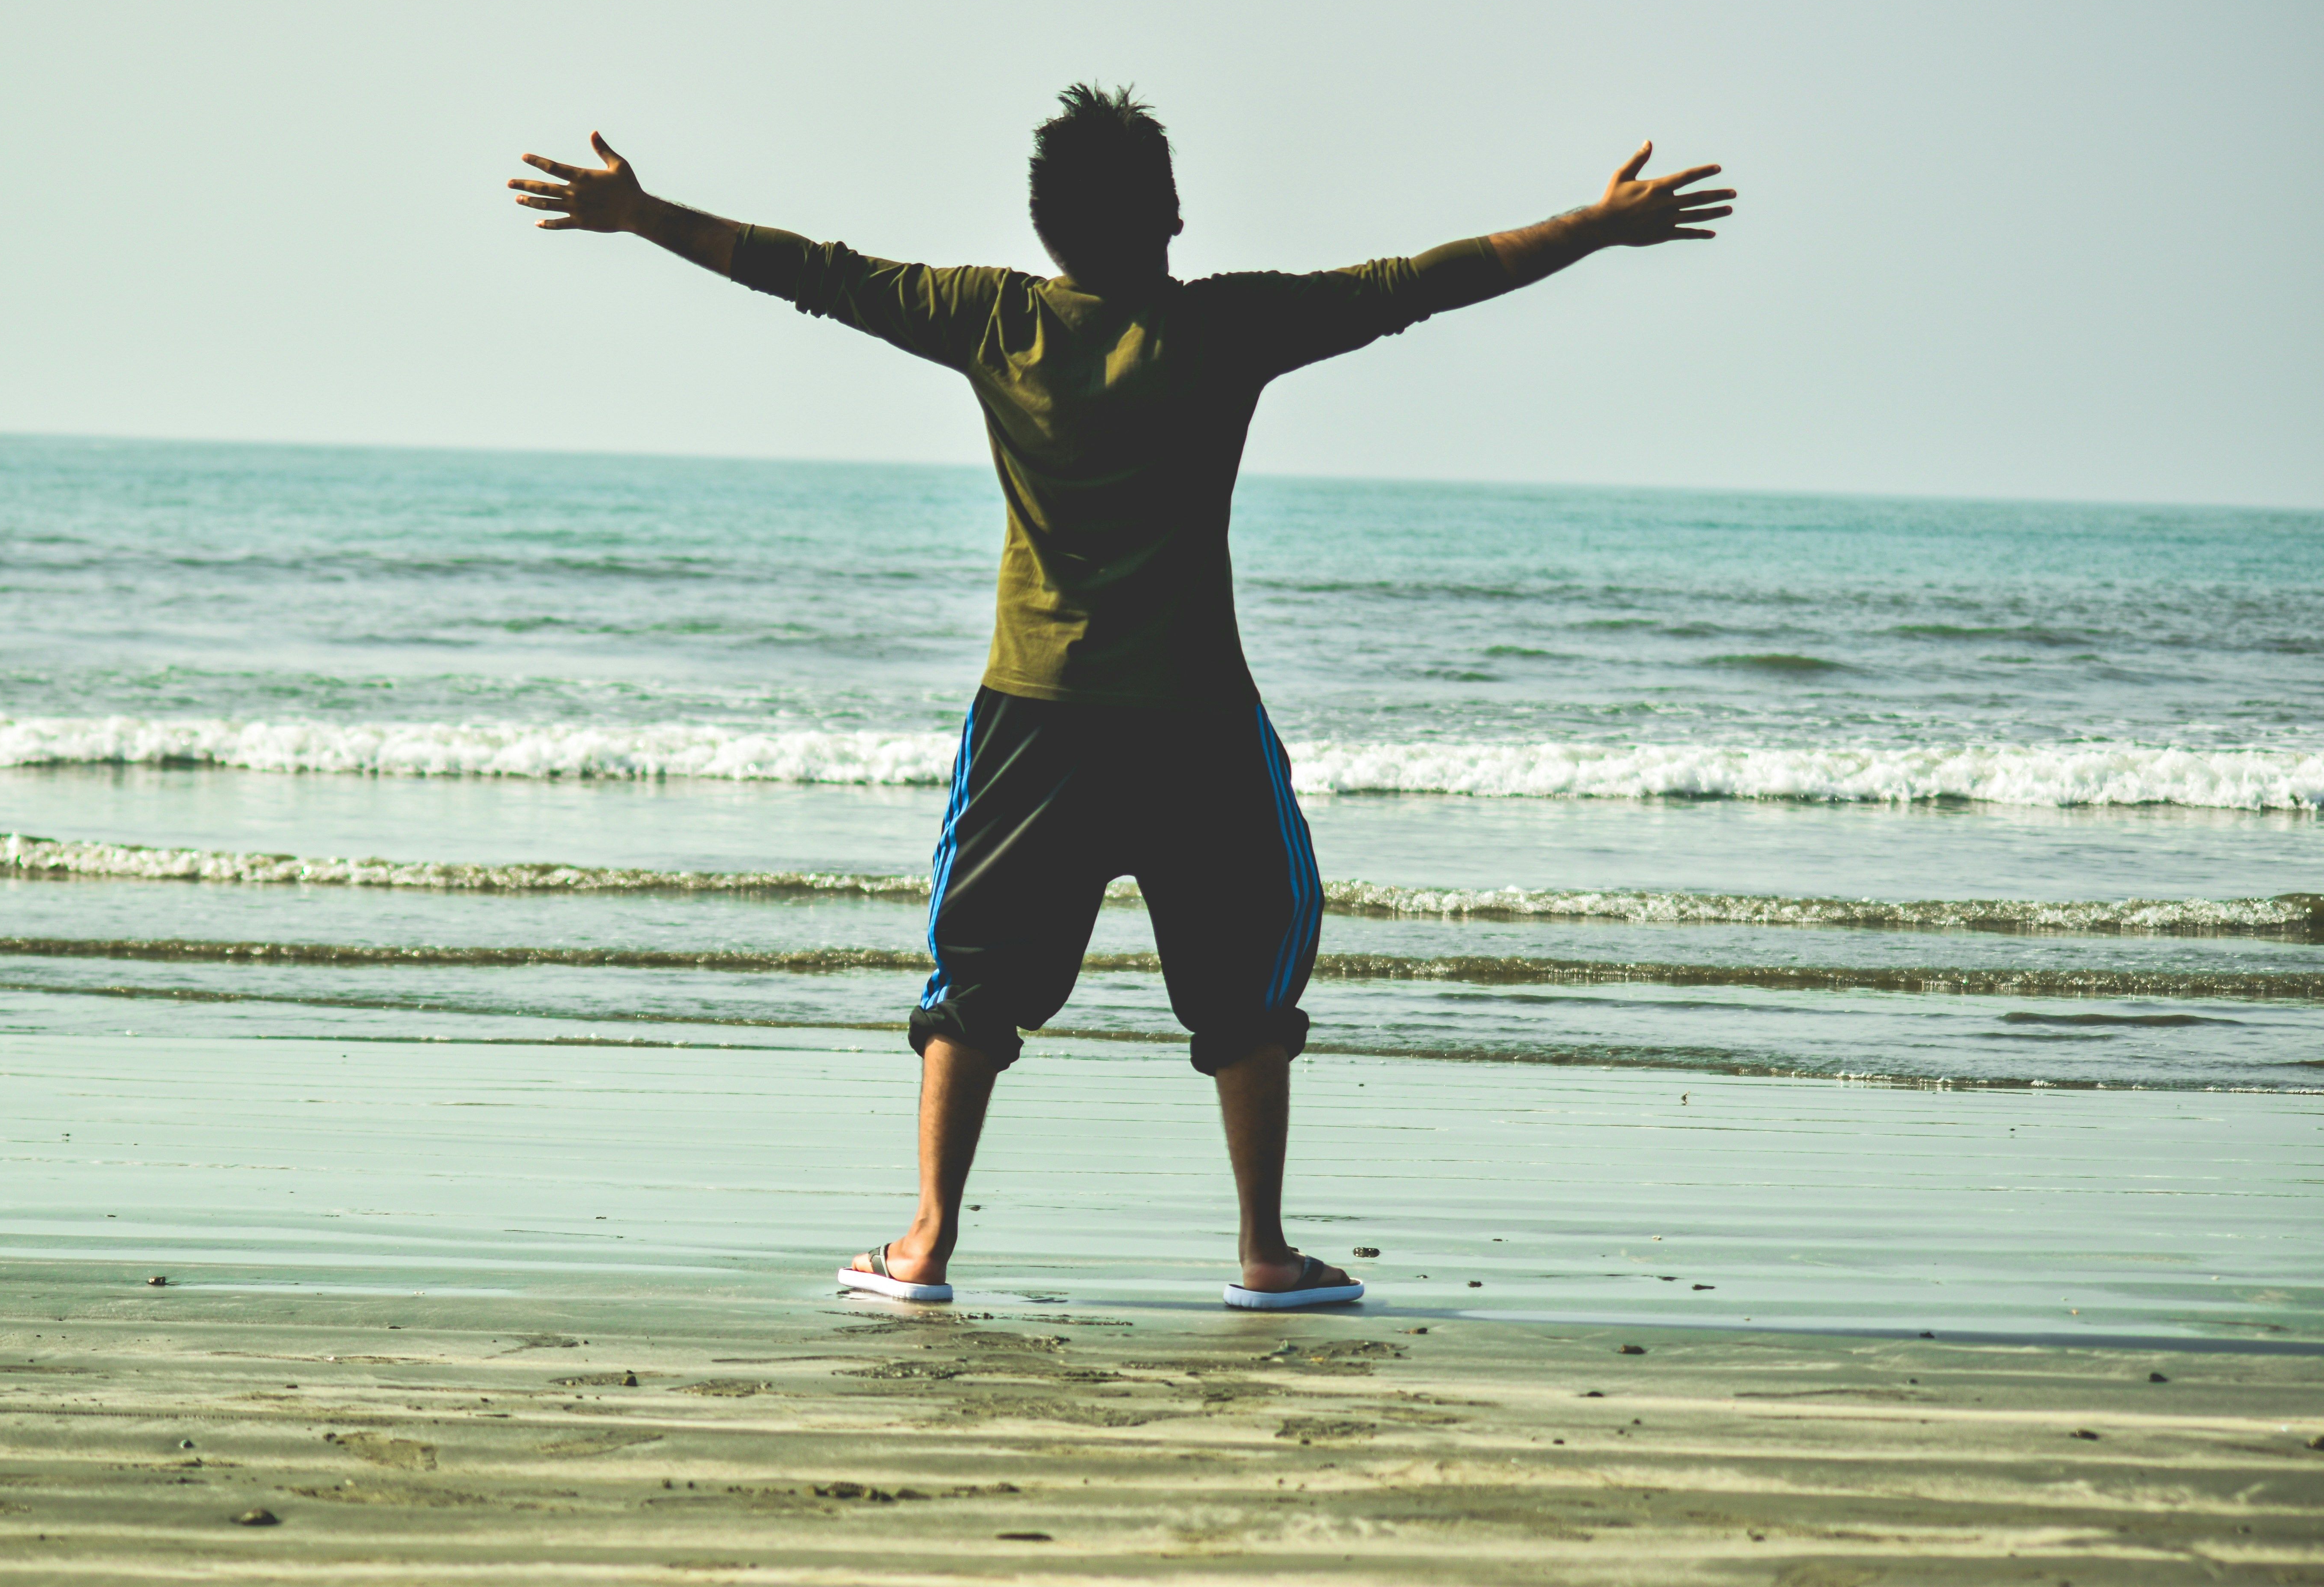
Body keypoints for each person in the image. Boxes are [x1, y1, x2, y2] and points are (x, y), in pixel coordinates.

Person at [511, 85, 1732, 1310]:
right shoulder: (1231, 326)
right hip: (1199, 719)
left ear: (1044, 226)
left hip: (1035, 717)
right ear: (1174, 215)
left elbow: (813, 273)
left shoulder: (994, 318)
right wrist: (1595, 226)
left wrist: (644, 215)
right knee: (1248, 983)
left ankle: (926, 1246)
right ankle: (1264, 1254)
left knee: (976, 979)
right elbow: (1422, 282)